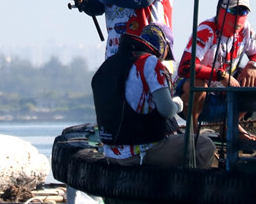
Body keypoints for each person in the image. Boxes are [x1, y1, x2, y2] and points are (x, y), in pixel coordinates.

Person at [91, 23, 216, 168]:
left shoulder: (109, 63)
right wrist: (178, 103)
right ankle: (188, 187)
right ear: (164, 47)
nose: (163, 59)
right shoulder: (149, 62)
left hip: (111, 153)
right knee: (205, 146)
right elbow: (167, 111)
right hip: (141, 153)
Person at [176, 0, 256, 140]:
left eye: (243, 11)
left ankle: (231, 124)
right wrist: (220, 75)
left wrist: (253, 64)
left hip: (226, 94)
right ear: (221, 11)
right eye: (233, 10)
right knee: (198, 82)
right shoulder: (206, 30)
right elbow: (185, 66)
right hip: (196, 98)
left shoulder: (246, 30)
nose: (238, 17)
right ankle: (193, 134)